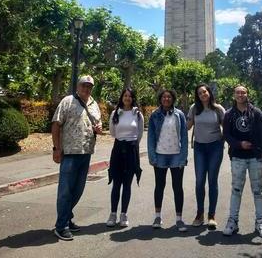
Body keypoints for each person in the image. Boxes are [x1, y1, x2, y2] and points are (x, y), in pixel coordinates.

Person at [52, 75, 102, 241]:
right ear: (78, 86)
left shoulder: (94, 104)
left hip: (86, 153)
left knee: (78, 190)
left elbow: (98, 126)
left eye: (89, 87)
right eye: (83, 86)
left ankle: (66, 218)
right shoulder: (67, 101)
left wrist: (99, 128)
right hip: (70, 153)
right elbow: (56, 124)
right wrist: (57, 149)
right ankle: (61, 226)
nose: (86, 89)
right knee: (65, 191)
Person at [222, 85, 262, 239]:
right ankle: (233, 222)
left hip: (255, 157)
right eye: (238, 92)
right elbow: (226, 135)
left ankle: (260, 223)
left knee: (258, 191)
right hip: (237, 157)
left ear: (247, 94)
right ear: (234, 95)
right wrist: (239, 144)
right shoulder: (229, 114)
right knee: (236, 190)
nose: (240, 94)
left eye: (243, 92)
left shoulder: (256, 113)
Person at [148, 89, 188, 232]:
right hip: (160, 155)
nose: (166, 99)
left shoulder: (179, 115)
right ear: (160, 99)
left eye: (169, 97)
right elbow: (151, 137)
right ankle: (157, 216)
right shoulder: (154, 115)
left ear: (173, 99)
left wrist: (183, 157)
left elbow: (184, 136)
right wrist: (152, 156)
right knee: (159, 186)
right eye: (164, 97)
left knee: (178, 187)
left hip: (176, 156)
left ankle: (179, 219)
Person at [187, 84, 225, 230]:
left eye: (205, 91)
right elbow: (188, 126)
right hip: (199, 148)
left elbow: (226, 127)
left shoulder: (218, 109)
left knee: (212, 180)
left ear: (209, 92)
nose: (203, 94)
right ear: (197, 95)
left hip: (215, 147)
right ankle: (199, 214)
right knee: (199, 181)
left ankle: (212, 216)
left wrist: (226, 141)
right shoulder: (194, 108)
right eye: (199, 93)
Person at [106, 88, 144, 228]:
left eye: (130, 96)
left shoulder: (138, 114)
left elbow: (139, 134)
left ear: (133, 98)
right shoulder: (115, 113)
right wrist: (122, 140)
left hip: (131, 150)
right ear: (122, 98)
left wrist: (131, 144)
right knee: (116, 184)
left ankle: (124, 214)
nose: (127, 98)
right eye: (125, 96)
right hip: (118, 149)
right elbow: (112, 132)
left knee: (127, 184)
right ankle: (113, 213)